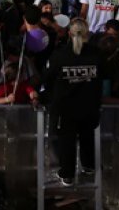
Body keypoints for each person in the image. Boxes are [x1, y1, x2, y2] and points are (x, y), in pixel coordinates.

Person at [43, 18, 105, 186]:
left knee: (67, 140)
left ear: (69, 33)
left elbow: (47, 79)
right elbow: (103, 78)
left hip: (66, 107)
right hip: (89, 105)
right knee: (87, 136)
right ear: (87, 34)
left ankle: (68, 173)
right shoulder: (96, 54)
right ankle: (88, 165)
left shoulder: (60, 55)